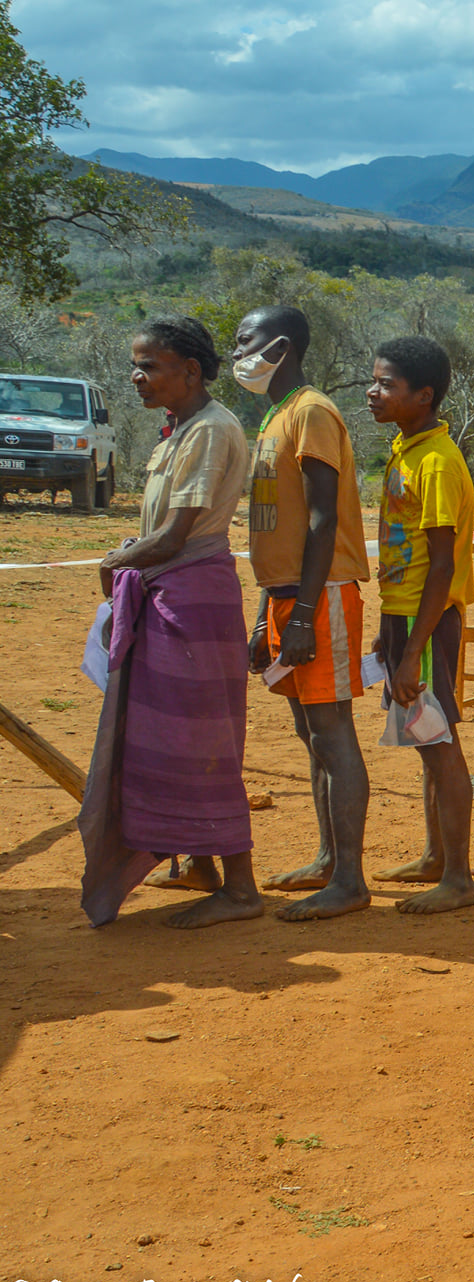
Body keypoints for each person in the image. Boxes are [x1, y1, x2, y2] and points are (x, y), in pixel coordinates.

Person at [80, 317, 256, 929]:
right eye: (136, 364)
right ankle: (204, 865)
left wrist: (118, 560)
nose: (138, 376)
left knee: (198, 741)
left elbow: (177, 535)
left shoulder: (210, 430)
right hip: (173, 592)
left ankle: (241, 887)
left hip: (190, 601)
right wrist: (131, 557)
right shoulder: (180, 431)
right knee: (171, 737)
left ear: (188, 369)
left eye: (149, 365)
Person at [232, 305, 376, 922]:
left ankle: (350, 879)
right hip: (290, 596)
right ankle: (327, 856)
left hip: (322, 597)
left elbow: (323, 519)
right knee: (309, 734)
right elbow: (284, 529)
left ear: (281, 346)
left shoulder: (312, 411)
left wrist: (303, 614)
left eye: (247, 341)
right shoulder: (275, 417)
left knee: (333, 734)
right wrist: (270, 612)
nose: (237, 351)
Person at [368, 336, 474, 917]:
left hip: (426, 621)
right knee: (423, 739)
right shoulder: (405, 448)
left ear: (425, 395)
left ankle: (459, 877)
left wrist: (412, 652)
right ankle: (437, 856)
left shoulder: (435, 461)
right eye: (375, 380)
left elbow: (441, 563)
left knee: (439, 741)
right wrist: (389, 635)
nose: (373, 391)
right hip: (404, 616)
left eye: (387, 383)